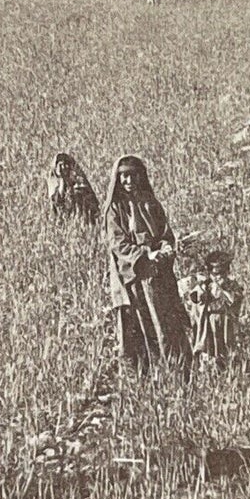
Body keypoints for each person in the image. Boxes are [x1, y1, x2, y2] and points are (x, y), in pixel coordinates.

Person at [104, 155, 192, 375]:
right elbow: (118, 244)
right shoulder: (115, 209)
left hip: (158, 271)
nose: (128, 180)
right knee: (142, 323)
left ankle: (177, 368)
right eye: (123, 176)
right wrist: (144, 255)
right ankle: (148, 371)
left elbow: (165, 233)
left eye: (133, 174)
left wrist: (164, 249)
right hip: (135, 274)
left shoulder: (150, 202)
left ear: (140, 176)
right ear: (117, 178)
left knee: (166, 320)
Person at [180, 248, 245, 367]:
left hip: (225, 321)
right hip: (209, 322)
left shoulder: (231, 286)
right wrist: (202, 293)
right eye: (215, 274)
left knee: (226, 346)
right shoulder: (206, 285)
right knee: (209, 347)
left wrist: (223, 289)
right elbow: (195, 297)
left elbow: (235, 299)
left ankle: (228, 366)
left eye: (222, 273)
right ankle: (209, 367)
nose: (218, 277)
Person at [47, 151, 100, 228]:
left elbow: (92, 203)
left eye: (66, 164)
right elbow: (57, 203)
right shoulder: (54, 185)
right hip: (65, 225)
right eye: (61, 165)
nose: (64, 167)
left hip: (83, 224)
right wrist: (62, 180)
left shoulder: (80, 183)